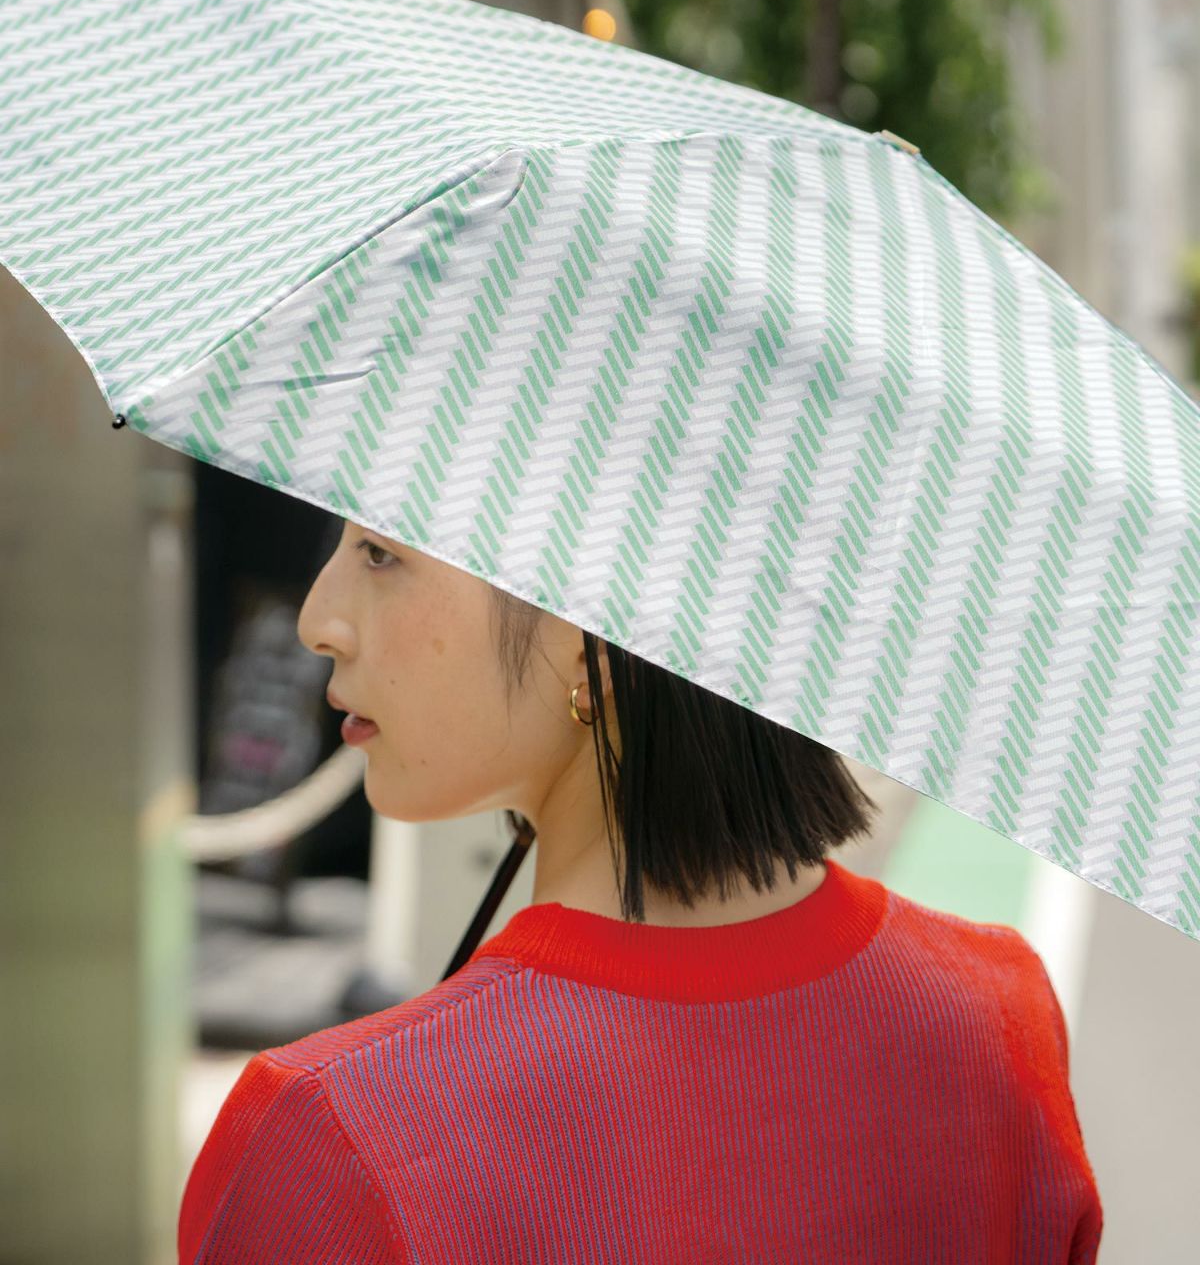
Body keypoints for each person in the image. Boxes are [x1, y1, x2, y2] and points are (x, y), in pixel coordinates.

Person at [178, 518, 1104, 1264]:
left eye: (383, 552)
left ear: (595, 638)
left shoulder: (334, 1134)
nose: (318, 618)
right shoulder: (997, 1017)